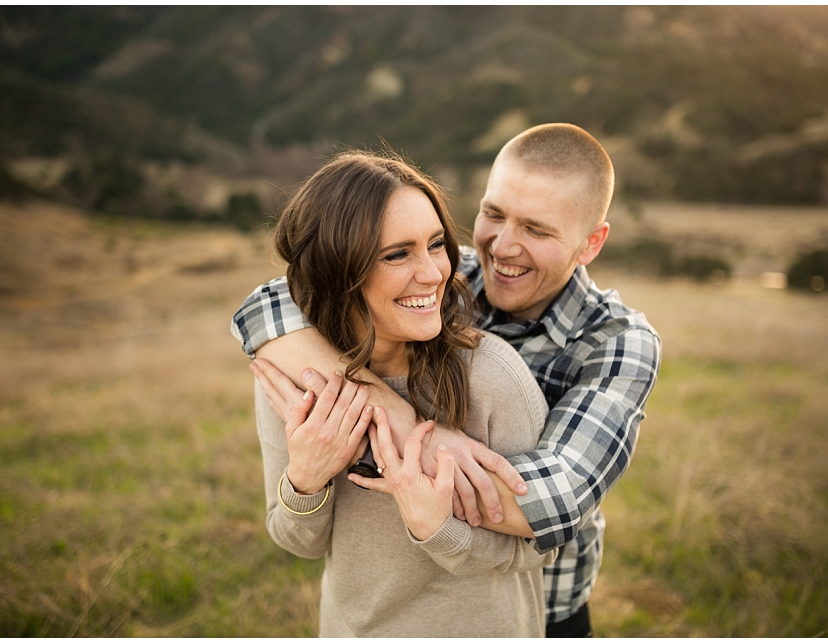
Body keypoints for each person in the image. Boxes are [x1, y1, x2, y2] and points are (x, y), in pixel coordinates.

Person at [235, 124, 662, 637]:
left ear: (591, 243)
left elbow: (553, 502)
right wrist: (390, 412)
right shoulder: (450, 272)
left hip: (542, 608)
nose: (502, 247)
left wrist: (412, 462)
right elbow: (274, 298)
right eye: (493, 215)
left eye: (537, 230)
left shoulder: (616, 341)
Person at [246, 150, 556, 637]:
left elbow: (540, 547)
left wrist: (438, 527)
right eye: (397, 254)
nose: (433, 273)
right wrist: (306, 480)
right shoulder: (293, 378)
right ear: (338, 270)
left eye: (436, 244)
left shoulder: (492, 377)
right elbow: (296, 542)